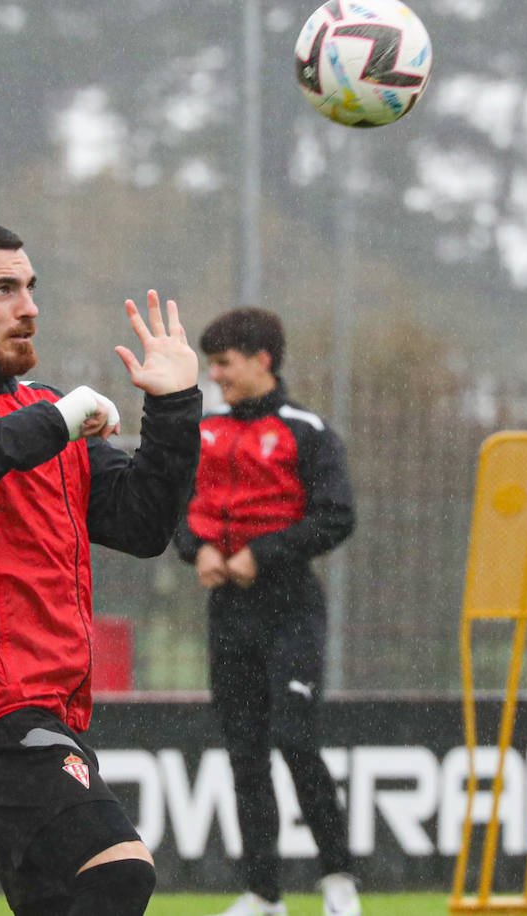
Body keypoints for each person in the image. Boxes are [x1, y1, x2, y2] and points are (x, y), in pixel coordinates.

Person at [0, 219, 201, 916]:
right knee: (118, 873)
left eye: (29, 288)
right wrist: (56, 422)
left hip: (48, 707)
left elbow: (143, 526)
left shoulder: (43, 408)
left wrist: (172, 409)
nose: (28, 307)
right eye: (1, 290)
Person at [172, 307, 359, 916]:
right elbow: (176, 507)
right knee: (245, 752)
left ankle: (338, 880)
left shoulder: (307, 431)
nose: (216, 376)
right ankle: (264, 894)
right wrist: (195, 549)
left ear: (262, 360)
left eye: (223, 364)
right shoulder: (203, 432)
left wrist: (265, 554)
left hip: (291, 608)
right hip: (229, 611)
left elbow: (336, 516)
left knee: (296, 740)